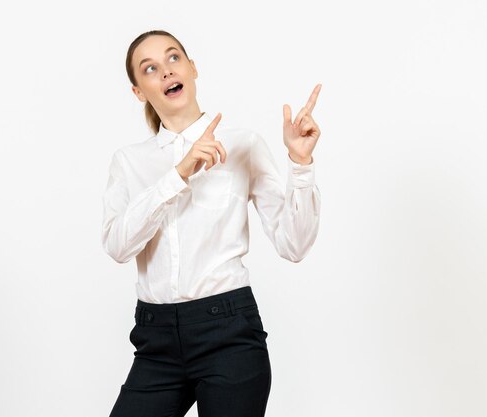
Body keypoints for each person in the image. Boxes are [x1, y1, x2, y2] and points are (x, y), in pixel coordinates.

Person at [102, 29, 322, 417]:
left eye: (173, 59)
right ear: (139, 91)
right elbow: (119, 247)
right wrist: (177, 175)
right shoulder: (129, 162)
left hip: (229, 335)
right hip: (155, 342)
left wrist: (300, 164)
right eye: (150, 68)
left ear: (192, 68)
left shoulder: (243, 145)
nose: (166, 72)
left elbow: (294, 245)